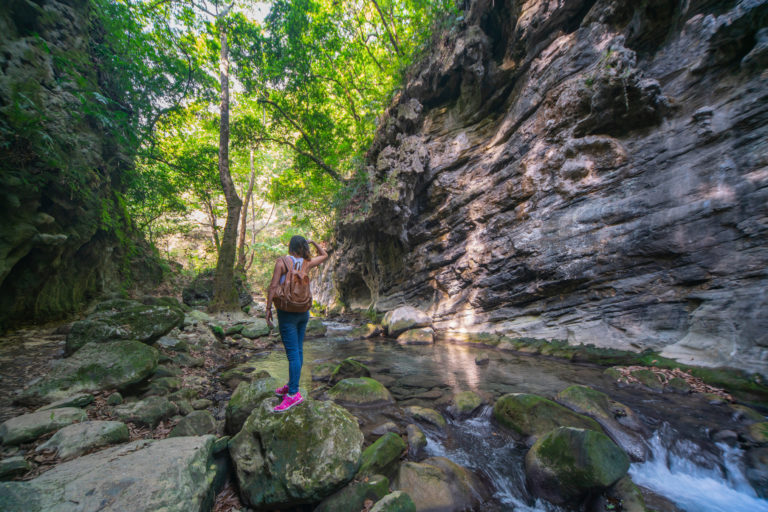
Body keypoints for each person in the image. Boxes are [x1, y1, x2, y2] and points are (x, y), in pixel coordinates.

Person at [266, 235, 328, 412]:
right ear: (303, 247)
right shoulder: (307, 262)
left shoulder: (282, 262)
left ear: (290, 246)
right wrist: (314, 243)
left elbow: (273, 286)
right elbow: (324, 255)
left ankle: (293, 394)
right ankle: (291, 385)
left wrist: (268, 308)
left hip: (286, 313)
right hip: (303, 312)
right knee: (298, 350)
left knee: (293, 354)